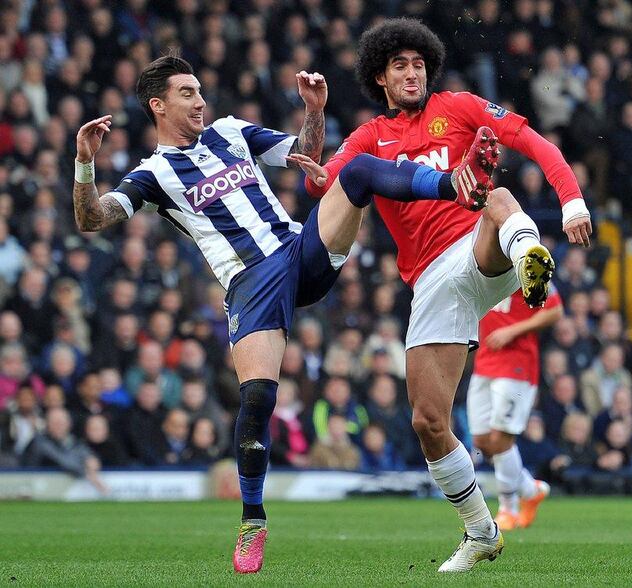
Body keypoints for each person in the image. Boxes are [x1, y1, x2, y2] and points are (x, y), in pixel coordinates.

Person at [72, 53, 496, 574]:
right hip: (250, 283)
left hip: (298, 251)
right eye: (187, 93)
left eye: (200, 90)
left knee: (359, 171)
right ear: (158, 106)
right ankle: (253, 520)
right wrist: (85, 162)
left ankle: (453, 183)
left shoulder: (229, 131)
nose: (201, 100)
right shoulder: (153, 174)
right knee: (258, 398)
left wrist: (313, 110)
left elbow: (305, 154)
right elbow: (93, 218)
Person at [304, 18, 592, 572]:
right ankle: (481, 530)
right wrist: (316, 114)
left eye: (418, 63)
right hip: (431, 282)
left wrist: (572, 201)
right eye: (399, 65)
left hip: (479, 245)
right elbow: (319, 184)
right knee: (428, 421)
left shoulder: (457, 107)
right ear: (381, 77)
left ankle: (530, 251)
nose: (412, 73)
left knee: (497, 193)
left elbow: (531, 140)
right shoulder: (369, 139)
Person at [467, 287, 563, 531]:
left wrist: (513, 330)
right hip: (486, 360)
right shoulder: (480, 258)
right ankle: (530, 490)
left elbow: (554, 310)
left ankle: (508, 508)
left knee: (501, 437)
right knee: (483, 440)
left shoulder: (528, 259)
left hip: (516, 364)